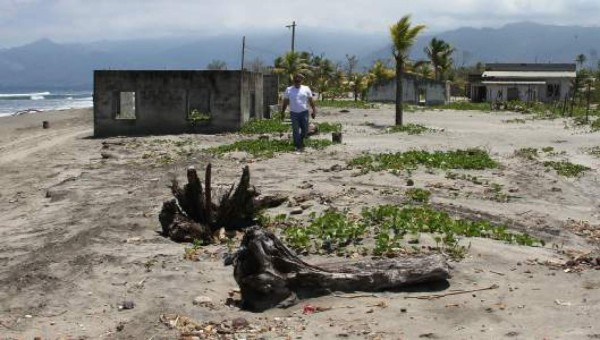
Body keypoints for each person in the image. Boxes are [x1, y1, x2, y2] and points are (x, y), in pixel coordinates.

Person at [281, 74, 317, 152]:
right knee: (295, 130)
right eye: (296, 81)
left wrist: (314, 110)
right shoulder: (289, 89)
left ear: (301, 81)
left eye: (299, 81)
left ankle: (300, 141)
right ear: (293, 81)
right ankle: (298, 145)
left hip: (304, 112)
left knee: (305, 130)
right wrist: (282, 112)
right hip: (294, 113)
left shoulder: (306, 88)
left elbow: (311, 100)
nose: (297, 82)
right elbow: (285, 101)